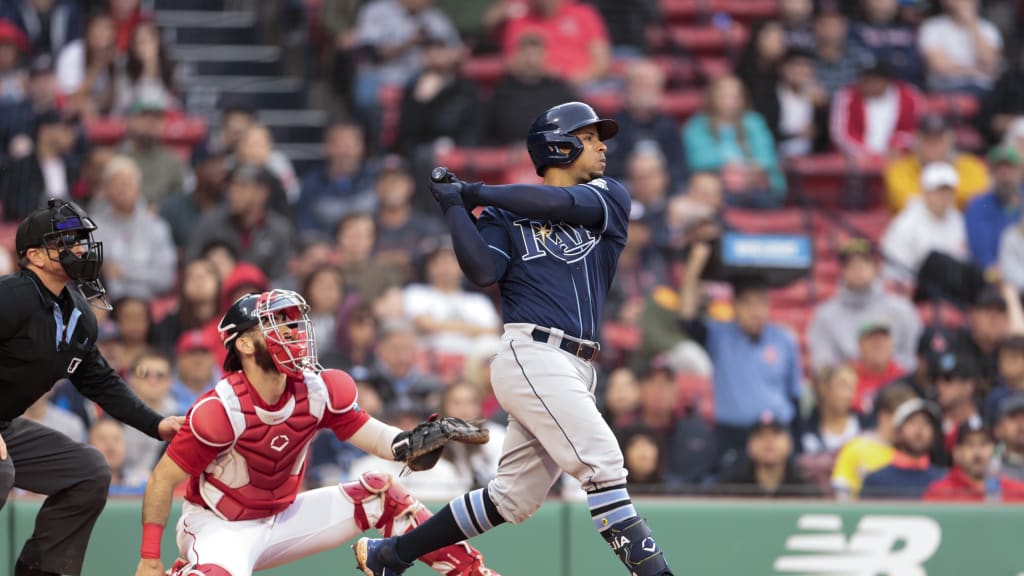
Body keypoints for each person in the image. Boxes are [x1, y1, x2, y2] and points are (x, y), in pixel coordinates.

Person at [354, 101, 674, 575]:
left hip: (576, 365)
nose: (602, 146)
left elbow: (558, 204)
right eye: (588, 138)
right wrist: (455, 208)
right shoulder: (504, 217)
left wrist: (475, 191)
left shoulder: (608, 196)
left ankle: (391, 555)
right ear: (557, 146)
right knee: (604, 465)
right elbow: (484, 270)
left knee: (513, 499)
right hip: (533, 352)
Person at [133, 290, 500, 576]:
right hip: (220, 523)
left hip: (284, 515)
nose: (290, 332)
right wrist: (149, 558)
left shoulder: (318, 389)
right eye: (274, 324)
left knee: (381, 493)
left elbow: (381, 441)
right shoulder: (220, 409)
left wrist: (412, 443)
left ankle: (474, 572)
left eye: (290, 323)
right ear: (243, 344)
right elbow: (162, 480)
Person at [0, 198, 181, 576]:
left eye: (81, 239)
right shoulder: (11, 295)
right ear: (34, 255)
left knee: (89, 471)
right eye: (65, 241)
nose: (80, 248)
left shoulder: (79, 313)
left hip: (5, 426)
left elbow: (99, 380)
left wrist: (156, 423)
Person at [923, 415, 1024, 501]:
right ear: (957, 452)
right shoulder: (939, 493)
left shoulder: (1016, 492)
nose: (977, 452)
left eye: (984, 443)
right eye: (969, 445)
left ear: (993, 449)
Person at [861, 398, 946, 499]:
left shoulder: (943, 480)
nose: (919, 429)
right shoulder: (875, 480)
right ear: (898, 431)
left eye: (926, 423)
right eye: (912, 422)